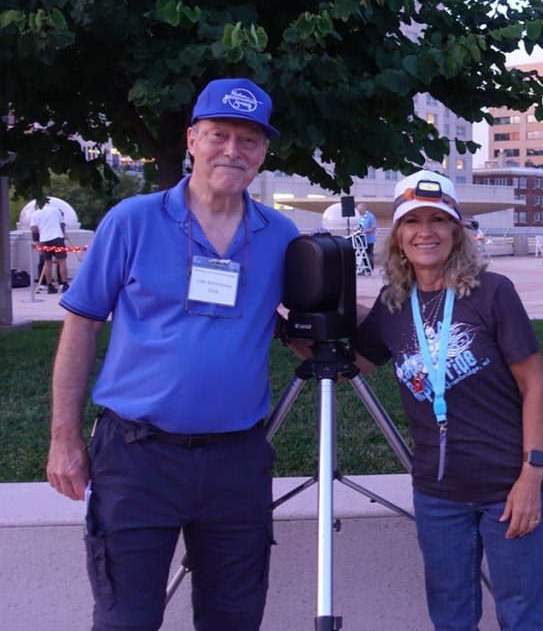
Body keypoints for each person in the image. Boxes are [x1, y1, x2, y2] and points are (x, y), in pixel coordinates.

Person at [46, 78, 300, 631]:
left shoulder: (281, 235)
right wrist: (63, 439)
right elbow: (81, 326)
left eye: (249, 140)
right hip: (137, 457)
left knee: (234, 618)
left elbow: (305, 329)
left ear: (263, 153)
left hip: (236, 461)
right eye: (219, 135)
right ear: (192, 139)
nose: (233, 151)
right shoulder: (131, 221)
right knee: (125, 619)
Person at [351, 170, 543, 631]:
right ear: (398, 235)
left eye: (438, 220)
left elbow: (535, 385)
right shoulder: (393, 305)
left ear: (456, 231)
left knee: (521, 615)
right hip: (438, 494)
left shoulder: (492, 292)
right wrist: (283, 325)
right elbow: (351, 367)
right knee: (450, 617)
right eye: (413, 221)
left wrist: (531, 473)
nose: (425, 232)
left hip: (508, 485)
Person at [30, 197, 69, 293]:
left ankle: (49, 285)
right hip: (57, 237)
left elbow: (34, 229)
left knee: (47, 263)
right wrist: (62, 236)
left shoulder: (35, 214)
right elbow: (62, 225)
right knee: (62, 262)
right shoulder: (56, 211)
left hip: (45, 239)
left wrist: (42, 231)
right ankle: (64, 284)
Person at [356, 202, 377, 270]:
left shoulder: (370, 216)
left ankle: (370, 268)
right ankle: (364, 268)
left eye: (360, 210)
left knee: (369, 254)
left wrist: (365, 231)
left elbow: (373, 228)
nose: (359, 212)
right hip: (362, 240)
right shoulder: (360, 217)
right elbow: (360, 226)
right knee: (363, 254)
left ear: (364, 209)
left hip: (369, 240)